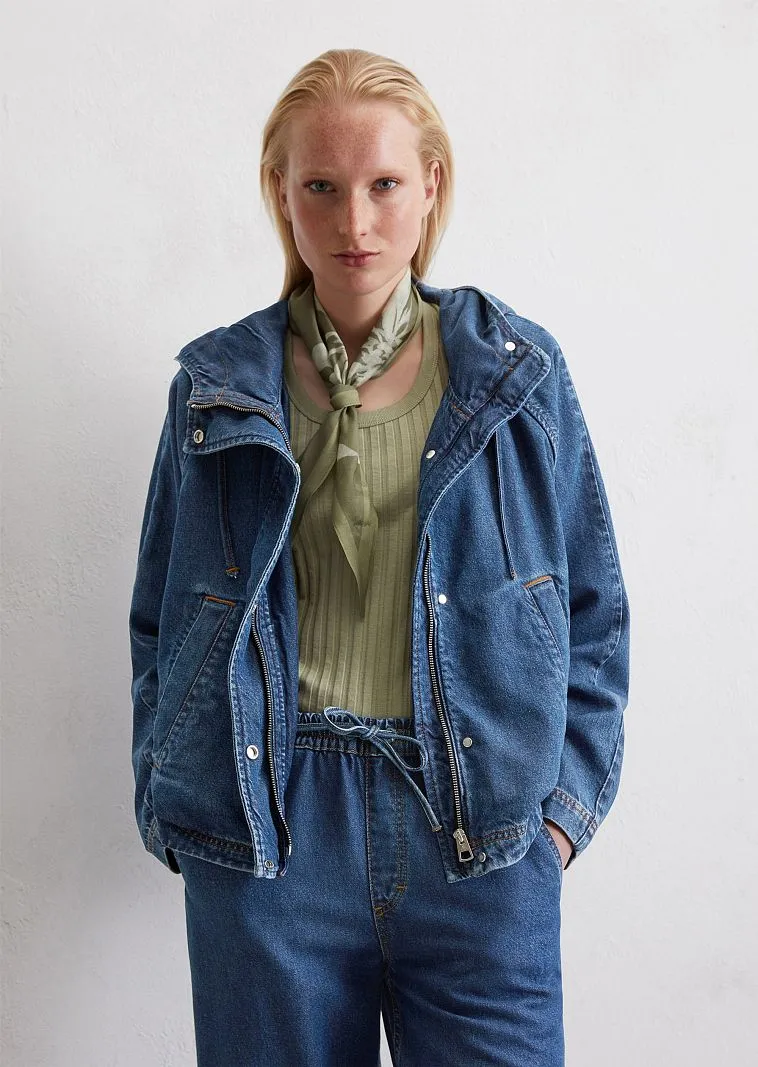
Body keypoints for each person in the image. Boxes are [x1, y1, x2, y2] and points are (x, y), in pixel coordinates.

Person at [128, 47, 630, 1067]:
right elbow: (161, 618)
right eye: (321, 186)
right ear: (280, 192)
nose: (353, 221)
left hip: (479, 834)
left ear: (430, 185)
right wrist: (177, 802)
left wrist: (557, 821)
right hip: (270, 837)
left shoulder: (515, 374)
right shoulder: (217, 388)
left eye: (384, 184)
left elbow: (592, 611)